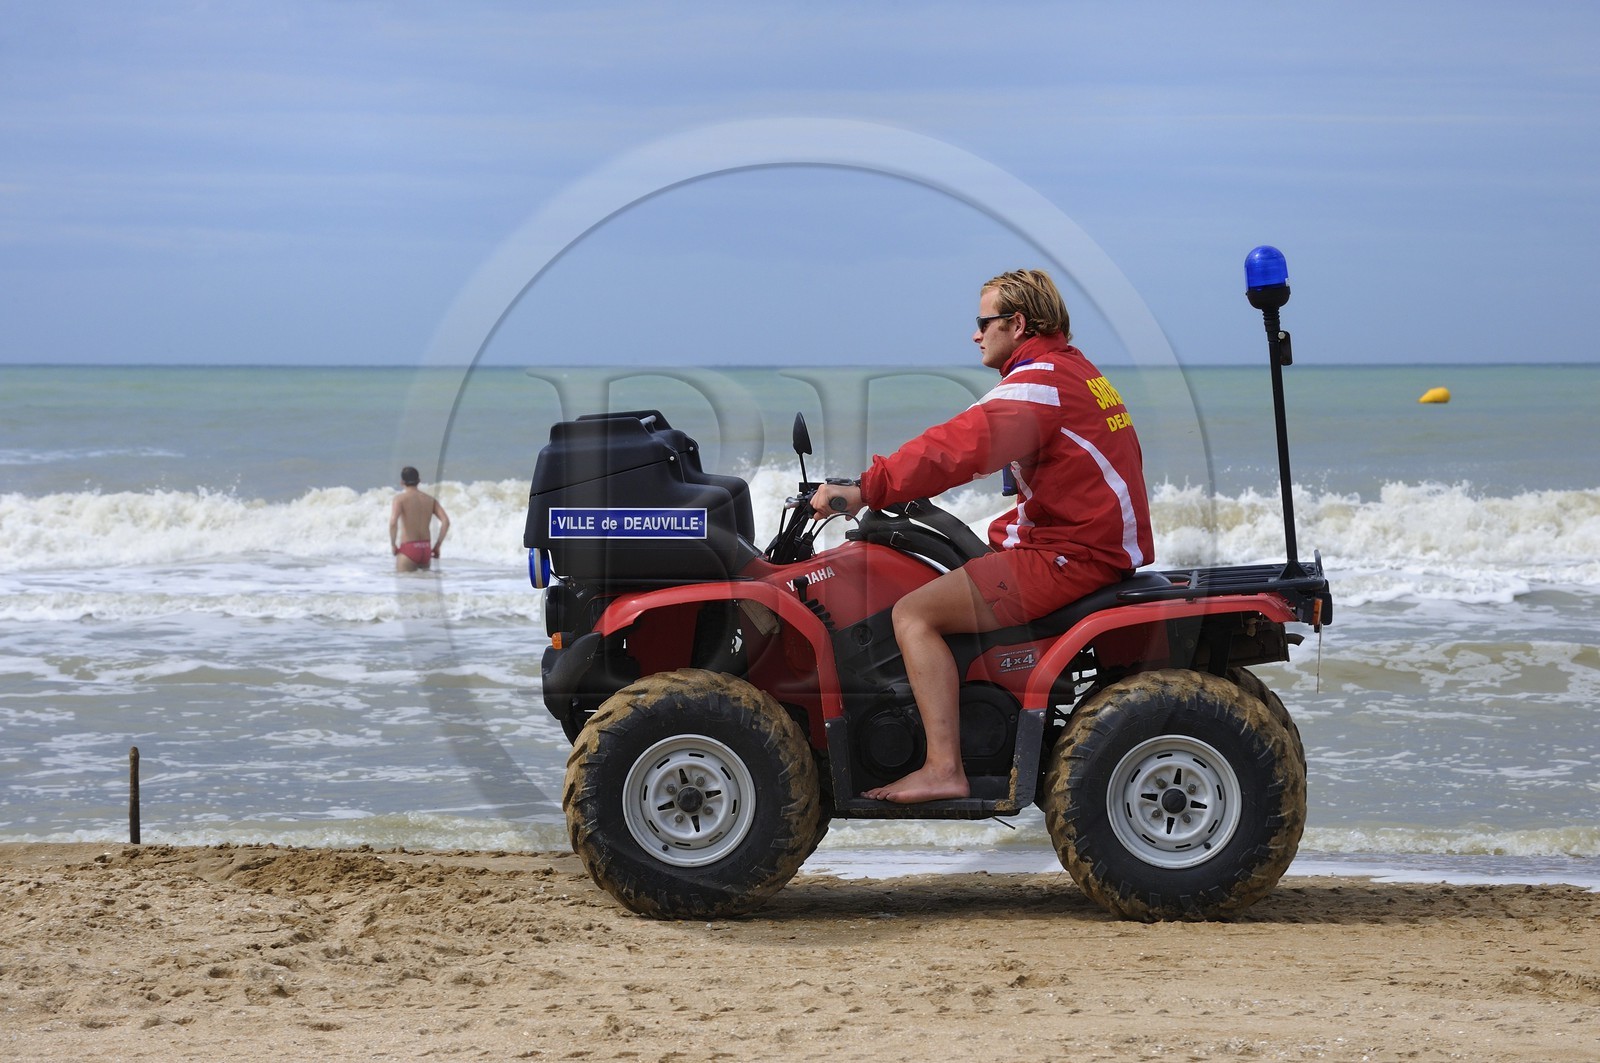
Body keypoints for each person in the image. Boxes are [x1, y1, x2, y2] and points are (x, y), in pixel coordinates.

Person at [812, 269, 1154, 803]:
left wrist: (867, 488)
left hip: (1069, 555)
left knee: (913, 613)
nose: (975, 334)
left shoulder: (1040, 382)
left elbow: (958, 446)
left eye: (983, 322)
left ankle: (943, 767)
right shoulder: (1073, 370)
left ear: (1016, 324)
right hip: (1082, 544)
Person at [390, 466, 451, 572]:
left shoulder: (399, 499)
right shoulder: (430, 500)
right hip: (426, 549)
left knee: (404, 586)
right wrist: (437, 546)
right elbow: (446, 521)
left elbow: (393, 523)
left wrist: (393, 544)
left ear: (402, 482)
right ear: (418, 481)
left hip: (408, 549)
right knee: (422, 587)